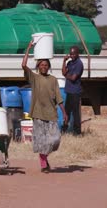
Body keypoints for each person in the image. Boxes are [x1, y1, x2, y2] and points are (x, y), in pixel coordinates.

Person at [22, 40, 67, 173]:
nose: (43, 66)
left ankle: (44, 158)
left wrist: (64, 112)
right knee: (41, 141)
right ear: (38, 66)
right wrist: (29, 47)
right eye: (41, 64)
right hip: (38, 113)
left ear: (49, 66)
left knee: (55, 140)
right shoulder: (34, 78)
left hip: (51, 114)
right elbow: (23, 65)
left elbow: (59, 97)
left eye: (46, 64)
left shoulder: (53, 79)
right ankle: (43, 163)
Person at [62, 46, 84, 135]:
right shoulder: (70, 63)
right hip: (69, 91)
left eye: (74, 54)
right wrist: (64, 61)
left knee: (75, 113)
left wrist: (66, 75)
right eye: (71, 54)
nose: (72, 55)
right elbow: (63, 72)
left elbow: (73, 78)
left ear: (77, 53)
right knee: (66, 112)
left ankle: (77, 132)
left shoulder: (79, 64)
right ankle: (64, 130)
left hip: (75, 91)